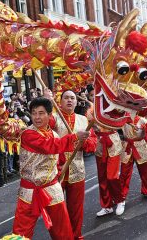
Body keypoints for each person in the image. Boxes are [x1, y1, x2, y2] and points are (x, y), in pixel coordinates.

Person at [12, 97, 89, 240]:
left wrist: (59, 171)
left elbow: (59, 159)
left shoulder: (54, 134)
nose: (37, 117)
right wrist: (74, 137)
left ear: (49, 115)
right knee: (21, 233)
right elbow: (49, 146)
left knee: (62, 229)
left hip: (52, 188)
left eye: (41, 113)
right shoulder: (28, 134)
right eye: (34, 113)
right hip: (29, 191)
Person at [47, 89, 97, 239]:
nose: (69, 100)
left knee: (76, 209)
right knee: (56, 210)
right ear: (60, 101)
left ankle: (76, 236)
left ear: (76, 102)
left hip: (77, 171)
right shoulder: (54, 117)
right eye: (66, 98)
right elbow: (43, 127)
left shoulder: (83, 120)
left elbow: (93, 144)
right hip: (56, 172)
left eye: (72, 98)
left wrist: (84, 142)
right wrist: (48, 101)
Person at [120, 116, 147, 200]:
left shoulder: (141, 119)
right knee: (124, 173)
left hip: (140, 146)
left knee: (145, 170)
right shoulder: (121, 119)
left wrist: (144, 126)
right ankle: (121, 196)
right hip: (127, 146)